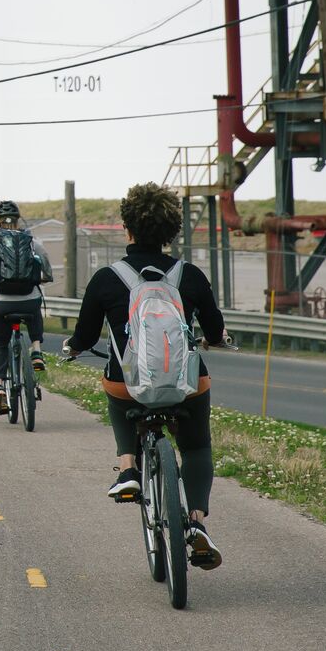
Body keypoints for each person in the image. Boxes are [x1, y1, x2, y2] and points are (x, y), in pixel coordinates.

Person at [63, 183, 233, 570]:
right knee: (196, 447)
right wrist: (218, 340)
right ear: (172, 231)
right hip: (186, 385)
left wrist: (73, 347)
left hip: (129, 384)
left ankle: (127, 466)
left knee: (116, 388)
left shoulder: (107, 278)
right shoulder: (189, 275)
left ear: (128, 229)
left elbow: (86, 335)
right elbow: (215, 327)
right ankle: (197, 523)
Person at [0, 200, 53, 415]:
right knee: (34, 308)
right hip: (28, 299)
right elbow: (45, 261)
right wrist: (46, 277)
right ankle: (37, 352)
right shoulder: (32, 241)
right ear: (17, 220)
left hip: (2, 303)